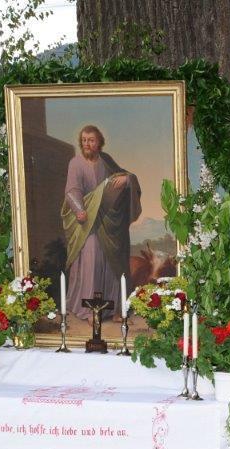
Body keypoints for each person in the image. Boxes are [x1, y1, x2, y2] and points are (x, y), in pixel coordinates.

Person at [61, 124, 142, 321]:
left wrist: (126, 179)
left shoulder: (105, 160)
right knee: (92, 259)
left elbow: (126, 176)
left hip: (108, 220)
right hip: (88, 220)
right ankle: (90, 310)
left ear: (99, 143)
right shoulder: (76, 163)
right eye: (84, 140)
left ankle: (114, 309)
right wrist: (79, 210)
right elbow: (72, 190)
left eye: (91, 140)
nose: (86, 144)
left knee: (113, 263)